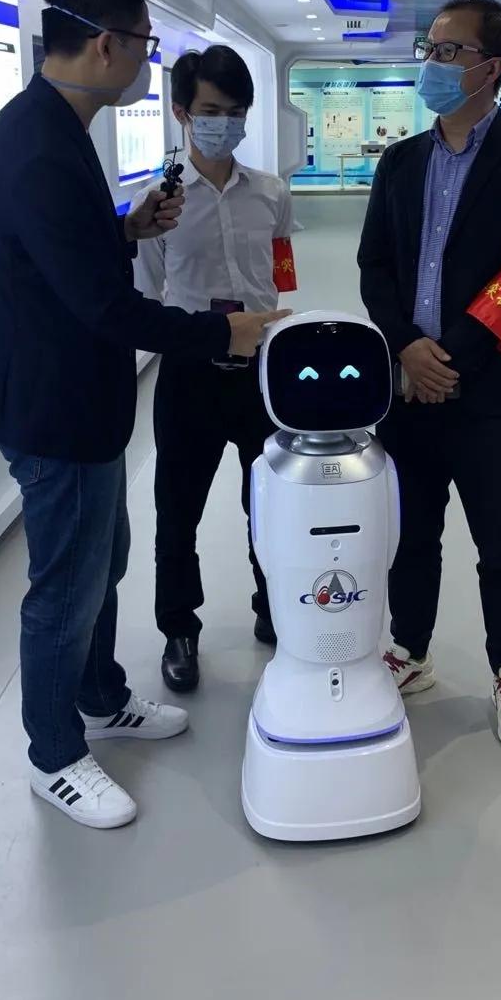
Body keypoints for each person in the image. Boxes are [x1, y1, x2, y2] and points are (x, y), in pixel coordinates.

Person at [0, 0, 284, 830]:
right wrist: (222, 333)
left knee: (105, 559)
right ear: (106, 42)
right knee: (66, 585)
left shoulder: (53, 129)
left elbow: (62, 255)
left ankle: (100, 695)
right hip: (52, 405)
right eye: (143, 40)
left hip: (82, 400)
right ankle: (54, 755)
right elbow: (105, 306)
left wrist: (125, 228)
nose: (146, 58)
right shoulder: (39, 147)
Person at [357, 0, 501, 749]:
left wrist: (449, 360)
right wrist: (407, 347)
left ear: (491, 68)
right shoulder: (400, 161)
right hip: (407, 386)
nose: (434, 64)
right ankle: (410, 650)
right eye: (431, 50)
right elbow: (374, 265)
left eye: (450, 52)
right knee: (412, 531)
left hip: (490, 390)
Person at [134, 45, 297, 692]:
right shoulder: (158, 204)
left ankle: (272, 607)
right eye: (210, 111)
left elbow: (278, 274)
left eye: (235, 112)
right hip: (189, 374)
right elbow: (148, 293)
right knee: (177, 512)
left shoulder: (272, 193)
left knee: (270, 504)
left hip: (259, 373)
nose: (223, 123)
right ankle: (179, 629)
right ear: (181, 113)